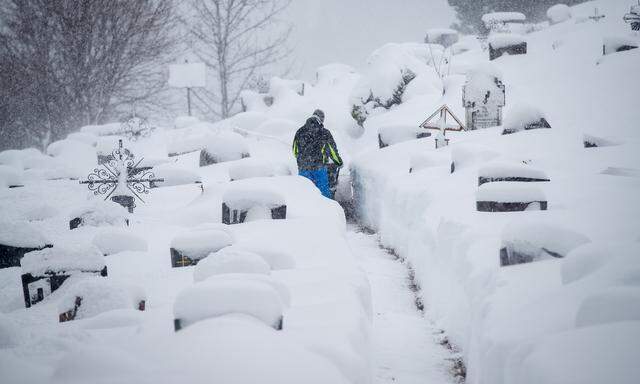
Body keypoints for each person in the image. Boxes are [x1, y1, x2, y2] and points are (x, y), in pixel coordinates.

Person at [292, 109, 343, 198]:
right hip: (319, 168)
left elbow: (295, 151)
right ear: (321, 119)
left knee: (304, 195)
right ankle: (327, 210)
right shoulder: (324, 132)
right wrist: (339, 162)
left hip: (303, 168)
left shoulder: (299, 131)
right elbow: (332, 151)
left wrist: (303, 159)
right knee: (323, 195)